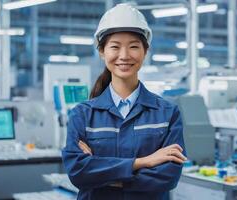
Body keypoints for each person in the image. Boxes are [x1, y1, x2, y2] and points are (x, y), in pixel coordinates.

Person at [62, 3, 186, 200]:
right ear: (102, 52)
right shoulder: (83, 115)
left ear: (145, 51)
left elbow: (167, 177)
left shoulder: (167, 113)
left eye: (134, 46)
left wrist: (100, 173)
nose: (124, 56)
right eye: (115, 46)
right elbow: (78, 173)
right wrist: (142, 162)